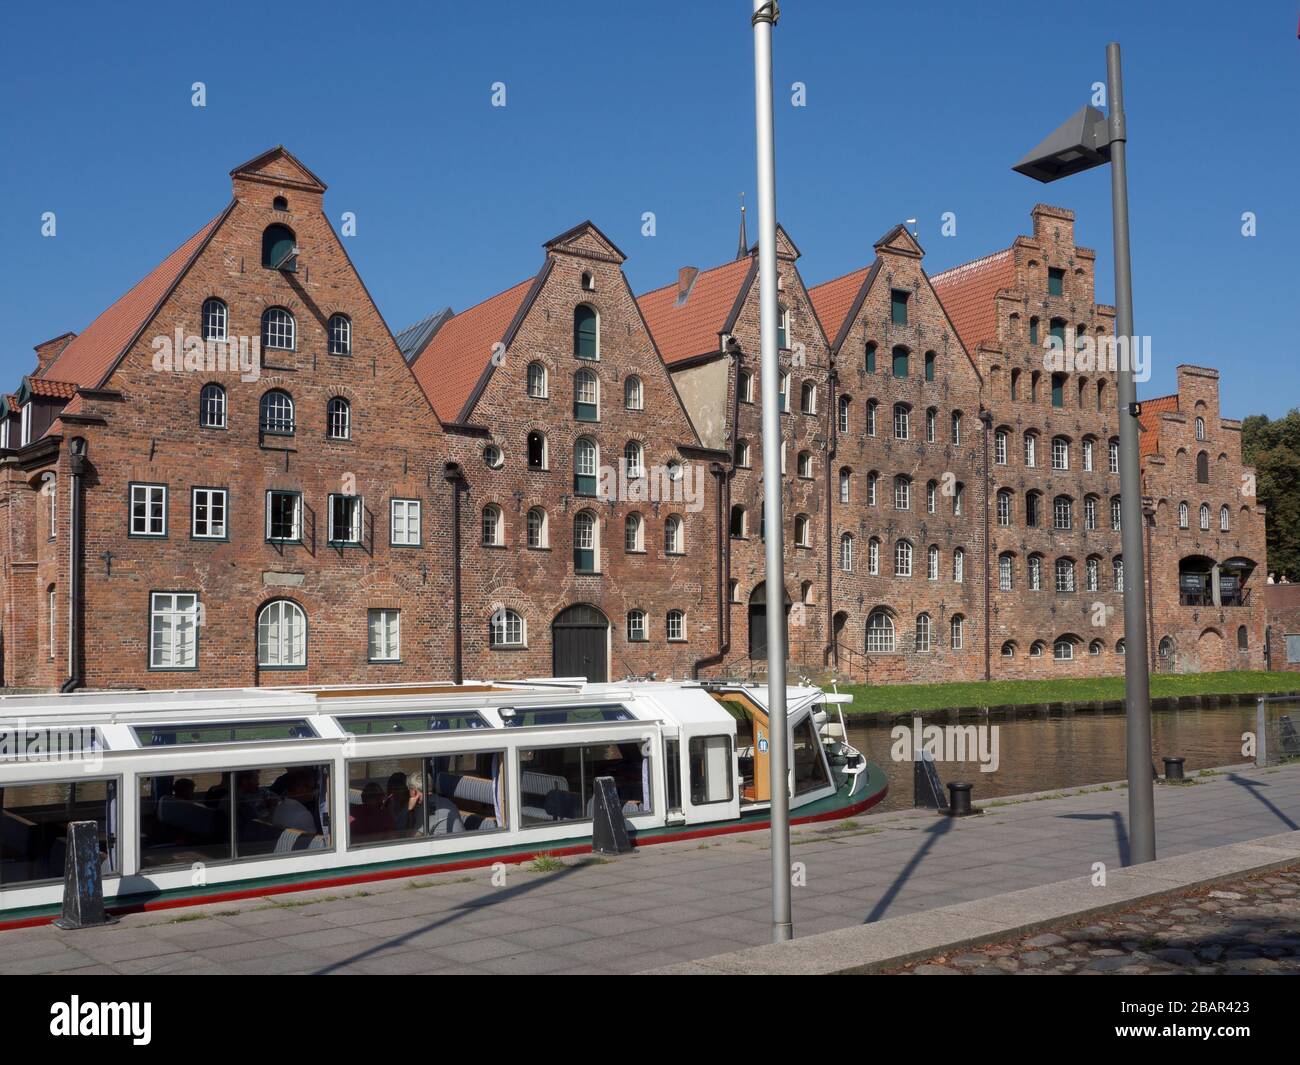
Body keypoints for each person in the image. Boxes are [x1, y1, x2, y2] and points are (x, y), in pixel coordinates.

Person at [271, 769, 318, 834]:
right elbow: (313, 842)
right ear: (299, 788)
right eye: (311, 788)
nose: (313, 792)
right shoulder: (304, 816)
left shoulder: (278, 808)